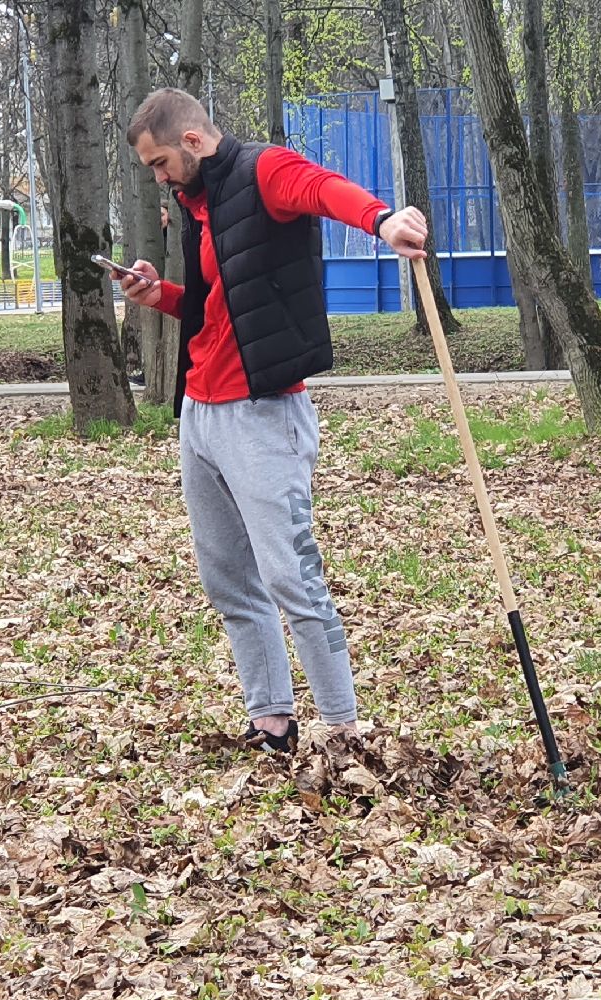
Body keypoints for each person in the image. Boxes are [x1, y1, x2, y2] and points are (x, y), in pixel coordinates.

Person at [111, 87, 429, 754]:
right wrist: (158, 294)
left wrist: (382, 222)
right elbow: (216, 311)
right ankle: (272, 721)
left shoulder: (264, 171)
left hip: (262, 417)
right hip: (200, 415)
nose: (159, 178)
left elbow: (325, 189)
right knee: (228, 577)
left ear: (193, 142)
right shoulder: (198, 208)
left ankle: (342, 726)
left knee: (291, 575)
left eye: (161, 163)